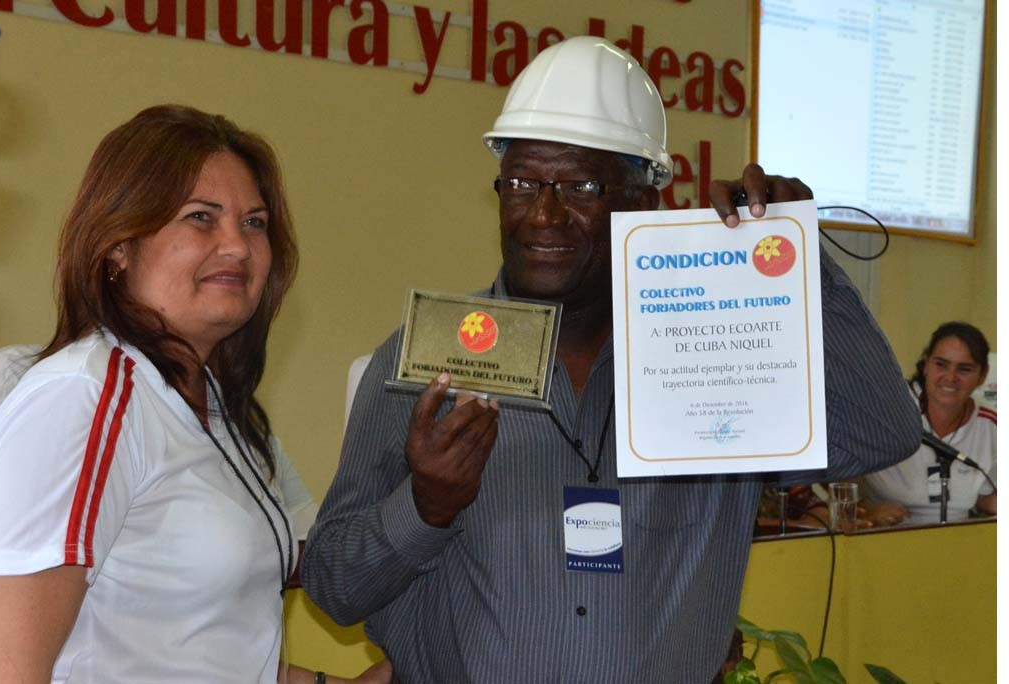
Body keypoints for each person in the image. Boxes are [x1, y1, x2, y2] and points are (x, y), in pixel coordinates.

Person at [301, 37, 920, 682]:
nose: (544, 215)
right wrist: (426, 506)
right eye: (522, 183)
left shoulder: (714, 360)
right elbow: (333, 588)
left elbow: (882, 434)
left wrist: (797, 259)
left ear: (643, 203)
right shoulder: (430, 363)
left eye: (581, 187)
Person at [0, 105, 390, 684]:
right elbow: (4, 667)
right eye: (201, 217)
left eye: (254, 223)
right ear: (120, 244)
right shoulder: (86, 396)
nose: (238, 247)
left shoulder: (217, 408)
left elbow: (196, 645)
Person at [863, 322, 996, 524]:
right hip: (885, 533)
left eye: (964, 369)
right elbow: (835, 477)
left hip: (961, 536)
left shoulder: (991, 425)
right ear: (925, 365)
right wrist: (865, 510)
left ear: (982, 376)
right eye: (941, 365)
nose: (950, 377)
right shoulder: (885, 411)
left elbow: (985, 499)